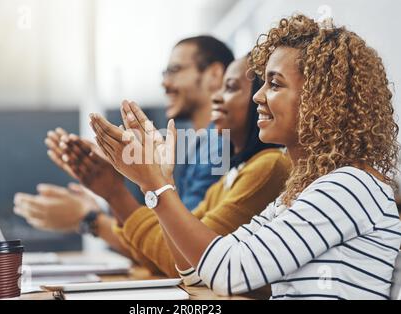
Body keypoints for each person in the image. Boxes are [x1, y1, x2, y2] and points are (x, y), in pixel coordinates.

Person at [91, 14, 401, 299]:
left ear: (321, 101)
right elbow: (198, 274)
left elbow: (230, 271)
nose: (258, 95)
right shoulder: (297, 196)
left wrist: (157, 185)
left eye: (275, 84)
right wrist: (158, 180)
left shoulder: (349, 187)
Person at [62, 57, 290, 280]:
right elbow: (178, 255)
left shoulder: (268, 166)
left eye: (230, 88)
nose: (217, 97)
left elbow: (184, 261)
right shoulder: (234, 173)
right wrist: (156, 183)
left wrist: (131, 189)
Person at [14, 36, 233, 256]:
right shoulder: (200, 144)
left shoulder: (219, 145)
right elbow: (167, 243)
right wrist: (108, 194)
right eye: (164, 74)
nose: (165, 84)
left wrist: (92, 215)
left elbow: (178, 251)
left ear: (214, 75)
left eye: (175, 70)